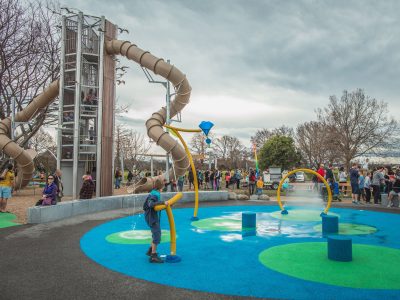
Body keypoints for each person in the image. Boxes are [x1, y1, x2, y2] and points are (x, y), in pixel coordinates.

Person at [143, 179, 168, 263]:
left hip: (151, 216)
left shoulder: (154, 192)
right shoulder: (154, 194)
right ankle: (153, 256)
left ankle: (151, 250)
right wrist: (163, 202)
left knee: (156, 233)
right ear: (161, 187)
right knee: (157, 235)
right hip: (151, 217)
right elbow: (151, 204)